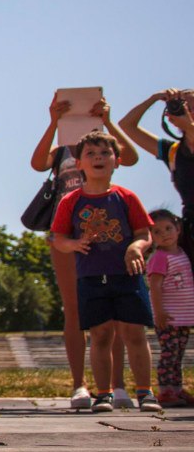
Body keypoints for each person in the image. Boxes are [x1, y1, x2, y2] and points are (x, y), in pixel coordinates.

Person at [29, 93, 138, 409]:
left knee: (114, 311)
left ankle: (117, 386)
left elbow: (130, 157)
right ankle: (80, 385)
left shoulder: (104, 146)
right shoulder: (63, 149)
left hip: (112, 235)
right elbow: (37, 163)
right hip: (68, 234)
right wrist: (54, 122)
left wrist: (107, 121)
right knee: (74, 308)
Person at [51, 131, 159, 413]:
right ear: (79, 163)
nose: (98, 158)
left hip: (127, 275)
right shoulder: (71, 201)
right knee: (100, 335)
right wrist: (72, 243)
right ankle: (103, 393)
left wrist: (137, 247)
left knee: (135, 333)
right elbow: (57, 237)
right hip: (90, 277)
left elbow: (144, 233)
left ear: (117, 161)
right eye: (91, 154)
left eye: (105, 154)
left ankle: (145, 392)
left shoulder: (126, 197)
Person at [119, 89, 194, 252]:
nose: (186, 111)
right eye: (182, 106)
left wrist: (190, 127)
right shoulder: (173, 152)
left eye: (191, 107)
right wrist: (153, 99)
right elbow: (126, 125)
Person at [146, 209, 194, 408]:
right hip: (168, 316)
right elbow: (155, 286)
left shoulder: (183, 253)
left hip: (184, 316)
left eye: (168, 228)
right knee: (169, 354)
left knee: (179, 354)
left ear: (178, 229)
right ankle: (165, 390)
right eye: (157, 232)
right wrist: (158, 313)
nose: (164, 234)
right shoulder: (159, 257)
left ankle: (176, 388)